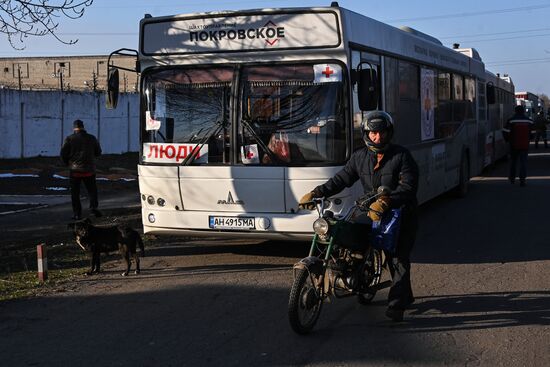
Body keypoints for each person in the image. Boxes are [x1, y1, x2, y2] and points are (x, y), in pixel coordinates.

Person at [298, 111, 419, 322]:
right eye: (373, 133)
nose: (377, 137)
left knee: (397, 259)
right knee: (346, 235)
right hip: (370, 210)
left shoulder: (402, 156)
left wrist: (387, 200)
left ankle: (397, 305)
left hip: (400, 214)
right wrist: (318, 192)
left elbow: (408, 186)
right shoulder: (359, 156)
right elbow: (342, 179)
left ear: (389, 133)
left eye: (381, 133)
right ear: (366, 133)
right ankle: (357, 274)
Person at [60, 119, 103, 220]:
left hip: (75, 172)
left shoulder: (69, 139)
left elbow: (63, 154)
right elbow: (98, 152)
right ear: (83, 127)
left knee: (75, 194)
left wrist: (68, 164)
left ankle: (77, 213)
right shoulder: (92, 138)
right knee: (92, 191)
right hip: (89, 171)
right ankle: (93, 208)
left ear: (74, 128)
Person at [503, 105, 534, 187]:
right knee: (523, 162)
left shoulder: (511, 120)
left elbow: (505, 131)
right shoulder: (529, 121)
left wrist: (507, 140)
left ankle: (512, 178)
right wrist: (529, 139)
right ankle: (522, 180)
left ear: (515, 111)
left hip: (513, 144)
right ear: (523, 111)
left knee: (513, 162)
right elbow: (533, 133)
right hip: (524, 145)